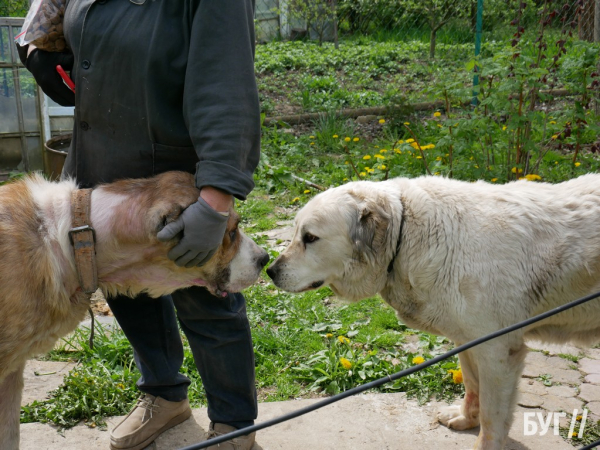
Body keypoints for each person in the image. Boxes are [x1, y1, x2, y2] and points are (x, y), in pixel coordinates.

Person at [17, 1, 261, 449]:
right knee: (124, 288)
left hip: (177, 179)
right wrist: (39, 47)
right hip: (102, 166)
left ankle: (233, 424)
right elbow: (60, 26)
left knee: (208, 297)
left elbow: (226, 85)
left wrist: (216, 198)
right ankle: (165, 396)